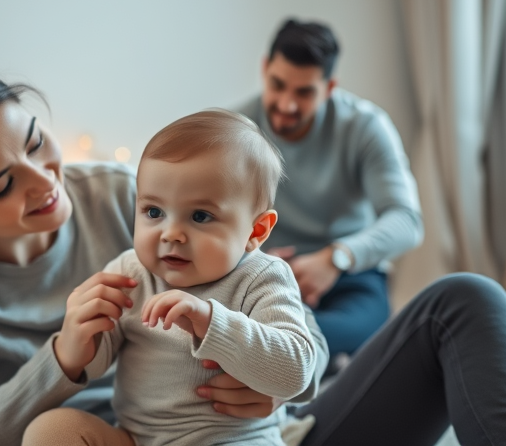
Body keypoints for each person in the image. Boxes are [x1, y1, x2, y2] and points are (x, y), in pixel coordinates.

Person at [0, 58, 506, 446]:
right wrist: (65, 361)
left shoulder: (125, 197)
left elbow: (270, 311)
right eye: (6, 183)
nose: (47, 183)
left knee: (466, 301)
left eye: (37, 142)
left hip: (256, 437)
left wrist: (270, 384)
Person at [23, 110, 318, 446]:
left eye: (200, 216)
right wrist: (80, 341)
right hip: (136, 438)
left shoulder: (261, 277)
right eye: (154, 212)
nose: (171, 233)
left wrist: (211, 322)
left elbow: (296, 371)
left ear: (256, 230)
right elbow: (94, 364)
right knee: (51, 431)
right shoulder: (130, 272)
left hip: (231, 439)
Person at [236, 18, 424, 359]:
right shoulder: (236, 130)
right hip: (262, 272)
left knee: (363, 328)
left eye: (304, 92)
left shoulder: (366, 127)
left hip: (351, 275)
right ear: (264, 69)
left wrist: (337, 257)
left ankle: (282, 348)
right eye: (277, 84)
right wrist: (248, 257)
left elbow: (407, 221)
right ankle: (293, 349)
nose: (287, 104)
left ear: (330, 87)